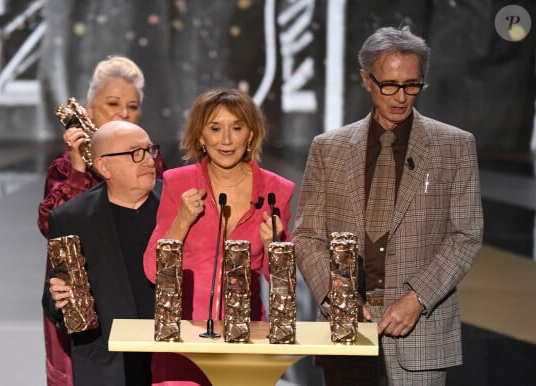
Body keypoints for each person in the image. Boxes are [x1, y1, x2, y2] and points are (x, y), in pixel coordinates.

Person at [292, 26, 483, 385]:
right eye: (390, 85)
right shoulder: (328, 148)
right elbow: (307, 236)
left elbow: (465, 235)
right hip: (345, 327)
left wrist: (416, 299)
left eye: (412, 85)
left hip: (420, 329)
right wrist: (340, 299)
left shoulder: (454, 146)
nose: (401, 97)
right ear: (367, 80)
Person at [143, 88, 295, 385]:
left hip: (246, 338)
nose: (226, 140)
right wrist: (182, 222)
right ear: (201, 136)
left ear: (250, 134)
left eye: (236, 128)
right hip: (183, 336)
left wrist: (274, 246)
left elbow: (282, 286)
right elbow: (152, 269)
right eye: (215, 129)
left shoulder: (277, 190)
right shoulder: (178, 183)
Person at [37, 55, 165, 386]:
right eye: (112, 104)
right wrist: (80, 169)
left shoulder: (150, 166)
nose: (123, 113)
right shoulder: (69, 173)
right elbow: (56, 228)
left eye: (132, 107)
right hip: (99, 325)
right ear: (89, 109)